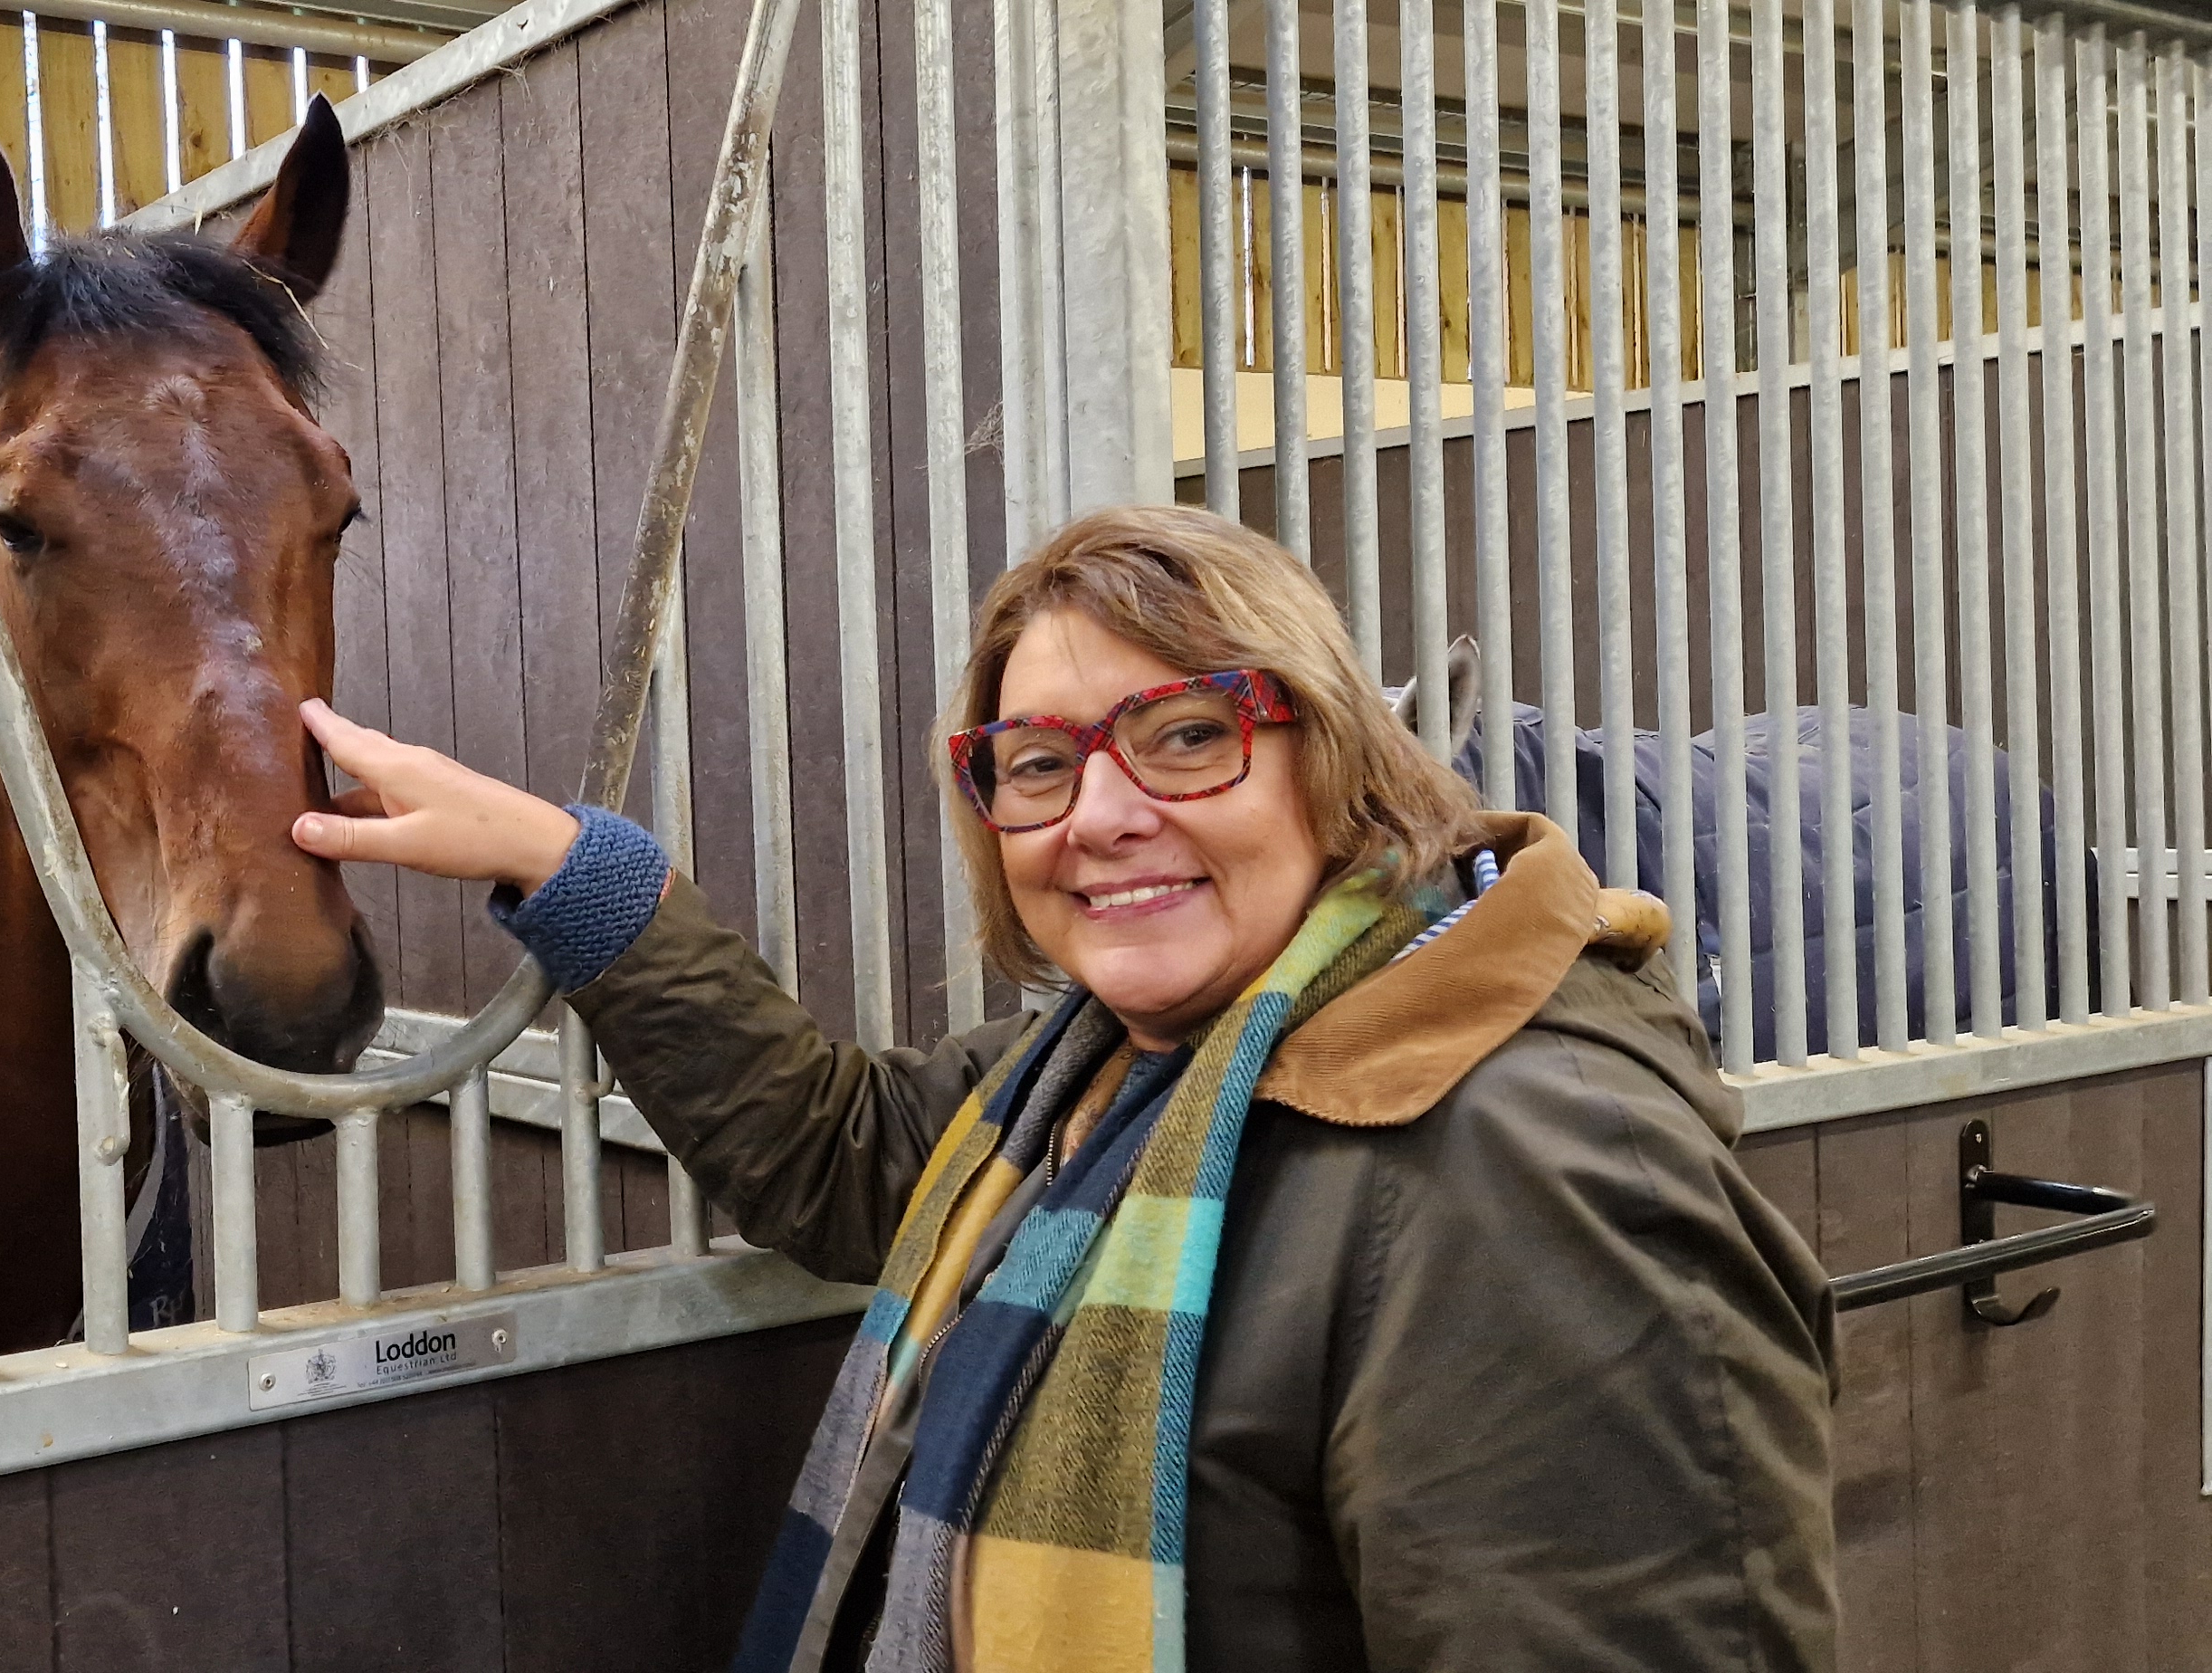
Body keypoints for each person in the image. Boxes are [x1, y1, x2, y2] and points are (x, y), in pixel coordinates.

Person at [290, 504, 1835, 1673]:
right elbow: (841, 1155)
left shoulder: (1527, 1163)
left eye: (1184, 736)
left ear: (1334, 760)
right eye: (1037, 764)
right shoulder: (1103, 1068)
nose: (1098, 815)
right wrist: (566, 870)